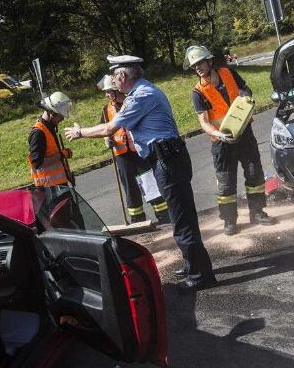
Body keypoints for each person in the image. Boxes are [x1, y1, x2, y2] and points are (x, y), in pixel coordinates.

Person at [65, 55, 216, 291]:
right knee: (181, 216)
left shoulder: (141, 96)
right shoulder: (140, 92)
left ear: (123, 76)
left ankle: (200, 275)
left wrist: (80, 132)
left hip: (168, 160)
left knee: (182, 219)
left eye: (115, 76)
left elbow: (109, 128)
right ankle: (193, 263)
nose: (113, 81)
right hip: (166, 158)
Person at [183, 45, 274, 235]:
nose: (197, 68)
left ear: (209, 61)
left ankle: (257, 212)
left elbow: (246, 91)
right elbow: (204, 122)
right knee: (226, 182)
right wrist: (218, 134)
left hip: (244, 134)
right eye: (194, 66)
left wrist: (247, 101)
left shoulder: (228, 73)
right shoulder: (198, 92)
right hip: (221, 142)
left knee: (254, 173)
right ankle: (229, 221)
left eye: (200, 63)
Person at [98, 74, 170, 225]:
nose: (107, 94)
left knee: (149, 183)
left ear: (116, 90)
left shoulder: (132, 102)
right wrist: (107, 140)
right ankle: (137, 219)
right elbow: (104, 128)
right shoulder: (106, 110)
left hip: (139, 150)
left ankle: (163, 214)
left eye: (109, 91)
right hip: (122, 155)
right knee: (130, 188)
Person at [28, 91, 73, 187]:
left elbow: (53, 158)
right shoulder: (38, 133)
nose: (62, 119)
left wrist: (66, 174)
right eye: (60, 116)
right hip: (48, 190)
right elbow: (37, 164)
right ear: (51, 113)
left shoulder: (49, 128)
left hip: (59, 186)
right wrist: (61, 155)